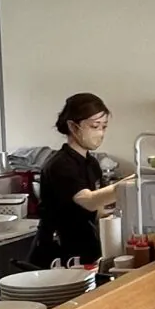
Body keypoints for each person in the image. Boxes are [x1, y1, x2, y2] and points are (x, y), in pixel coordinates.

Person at [31, 93, 116, 267]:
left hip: (85, 248)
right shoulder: (60, 164)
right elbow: (88, 201)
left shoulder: (92, 164)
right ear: (73, 126)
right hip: (57, 252)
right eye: (94, 126)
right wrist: (130, 184)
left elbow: (98, 210)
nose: (100, 133)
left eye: (104, 127)